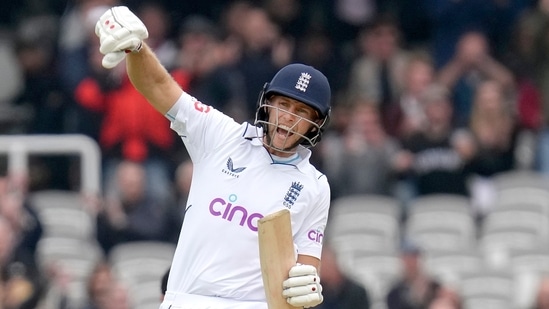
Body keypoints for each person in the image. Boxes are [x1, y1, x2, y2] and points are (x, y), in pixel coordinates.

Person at [94, 6, 331, 309]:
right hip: (186, 301)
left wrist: (307, 288)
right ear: (267, 105)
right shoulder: (222, 135)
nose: (288, 119)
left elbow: (307, 269)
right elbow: (158, 86)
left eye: (302, 113)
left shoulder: (315, 186)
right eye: (284, 105)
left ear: (315, 125)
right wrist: (137, 49)